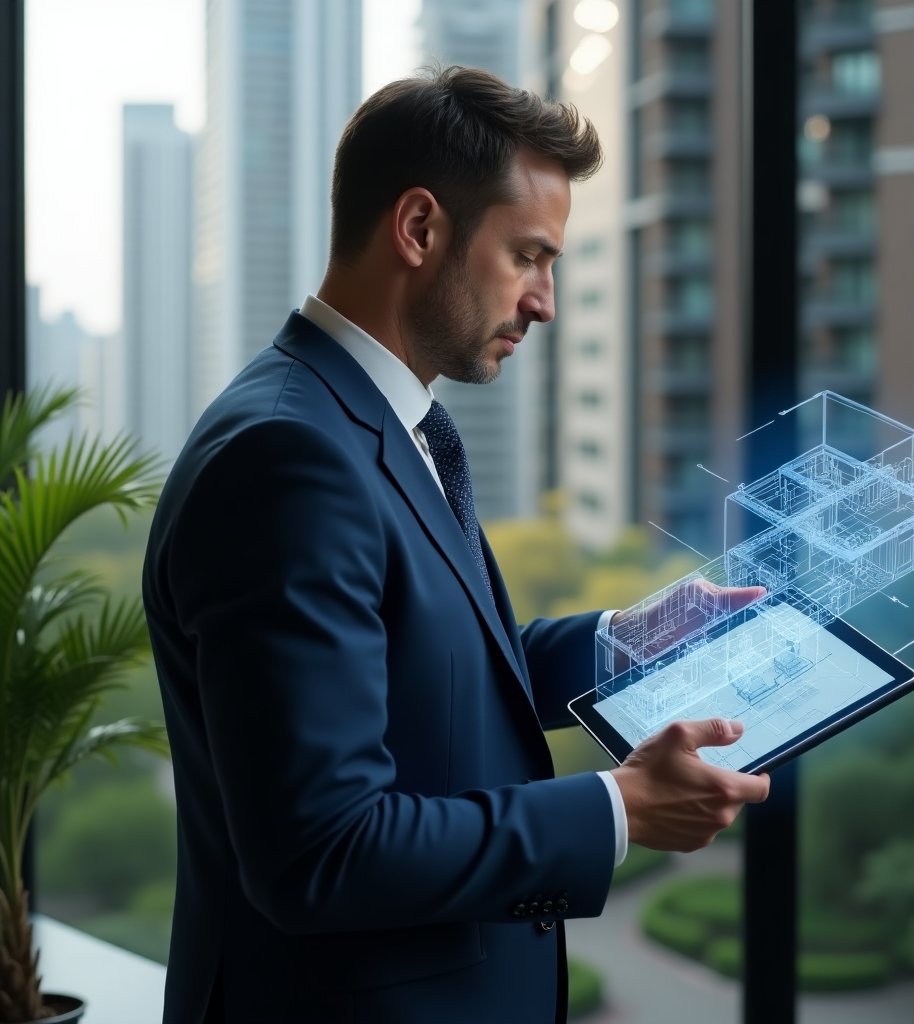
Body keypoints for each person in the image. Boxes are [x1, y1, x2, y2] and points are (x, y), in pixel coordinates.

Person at [142, 64, 770, 1024]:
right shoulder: (286, 459)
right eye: (528, 257)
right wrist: (617, 810)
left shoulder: (389, 423)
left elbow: (433, 669)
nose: (545, 301)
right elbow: (322, 850)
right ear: (421, 228)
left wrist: (633, 638)